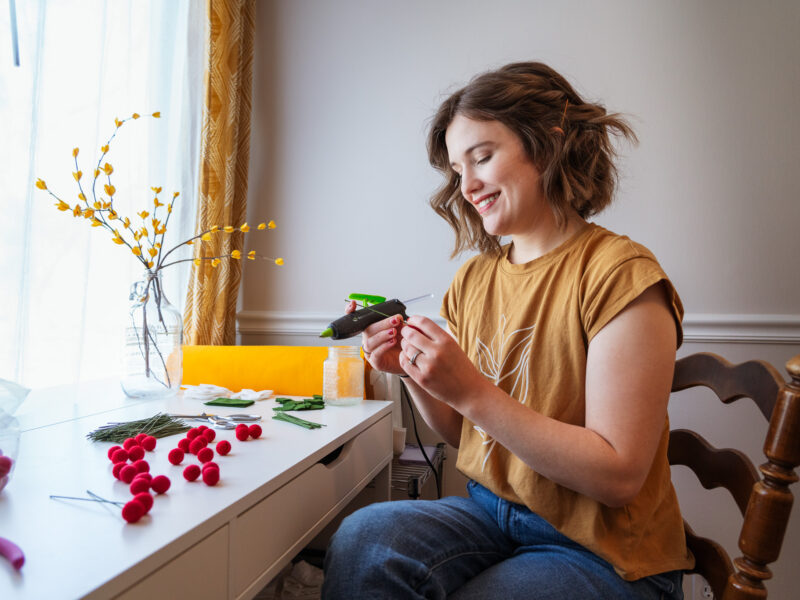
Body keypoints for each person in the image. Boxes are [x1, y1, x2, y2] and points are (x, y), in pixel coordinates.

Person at [322, 61, 693, 599]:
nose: (466, 186)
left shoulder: (621, 275)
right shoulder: (475, 277)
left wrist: (470, 389)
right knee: (364, 538)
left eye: (482, 157)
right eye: (456, 169)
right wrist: (413, 372)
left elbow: (618, 478)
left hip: (605, 550)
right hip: (493, 511)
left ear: (548, 143)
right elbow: (464, 434)